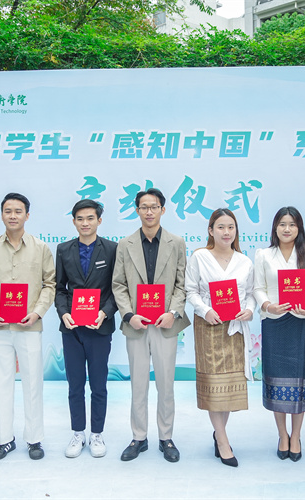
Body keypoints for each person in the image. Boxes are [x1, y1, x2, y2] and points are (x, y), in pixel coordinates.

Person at [112, 188, 191, 463]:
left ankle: (166, 437)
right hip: (137, 324)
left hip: (165, 324)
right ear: (137, 211)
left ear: (162, 210)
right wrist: (128, 314)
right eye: (144, 207)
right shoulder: (125, 244)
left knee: (166, 384)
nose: (149, 211)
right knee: (138, 384)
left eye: (154, 207)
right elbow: (118, 284)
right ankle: (139, 437)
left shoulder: (176, 243)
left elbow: (182, 284)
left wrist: (173, 312)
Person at [0, 193, 56, 461]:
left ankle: (34, 439)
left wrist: (37, 312)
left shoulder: (41, 248)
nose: (13, 216)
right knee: (0, 385)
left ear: (27, 215)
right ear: (1, 215)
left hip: (29, 327)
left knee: (33, 384)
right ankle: (3, 440)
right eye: (8, 211)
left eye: (18, 211)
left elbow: (50, 284)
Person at [185, 208, 255, 467]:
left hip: (234, 328)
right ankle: (223, 441)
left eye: (231, 227)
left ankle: (219, 433)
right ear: (211, 230)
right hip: (209, 327)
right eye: (221, 227)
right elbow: (190, 290)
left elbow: (250, 294)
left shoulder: (244, 261)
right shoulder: (200, 257)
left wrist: (249, 310)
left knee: (228, 388)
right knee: (214, 386)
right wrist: (205, 310)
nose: (226, 232)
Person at [253, 207, 305, 463]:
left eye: (292, 224)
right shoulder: (264, 255)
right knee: (277, 382)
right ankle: (282, 435)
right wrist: (268, 305)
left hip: (300, 322)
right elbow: (258, 287)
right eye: (282, 224)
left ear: (299, 228)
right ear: (275, 228)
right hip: (275, 323)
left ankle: (296, 436)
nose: (287, 229)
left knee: (299, 381)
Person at [54, 200, 118, 459]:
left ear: (99, 221)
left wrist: (105, 313)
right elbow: (60, 289)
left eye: (90, 218)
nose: (85, 223)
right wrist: (64, 313)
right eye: (80, 218)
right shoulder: (63, 249)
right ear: (73, 221)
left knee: (99, 385)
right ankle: (78, 433)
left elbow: (116, 289)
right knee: (75, 385)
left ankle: (97, 434)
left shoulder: (112, 249)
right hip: (72, 328)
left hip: (99, 328)